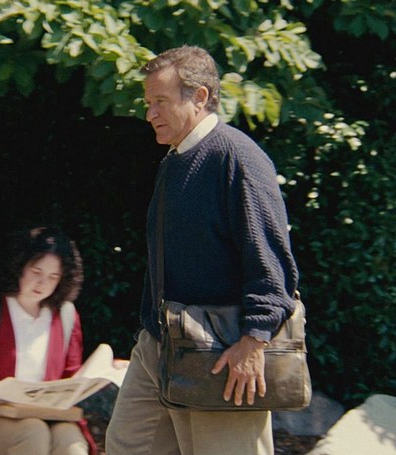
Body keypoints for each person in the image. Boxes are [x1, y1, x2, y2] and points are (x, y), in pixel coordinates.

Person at [105, 45, 300, 455]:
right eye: (148, 103)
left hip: (224, 349)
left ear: (199, 96)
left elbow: (271, 262)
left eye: (160, 101)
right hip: (162, 343)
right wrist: (152, 334)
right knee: (127, 445)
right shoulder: (174, 161)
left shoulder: (237, 157)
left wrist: (254, 340)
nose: (150, 114)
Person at [0, 227, 97, 455]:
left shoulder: (66, 315)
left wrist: (99, 373)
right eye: (36, 272)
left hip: (52, 416)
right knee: (33, 434)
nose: (42, 283)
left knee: (72, 444)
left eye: (53, 277)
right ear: (19, 266)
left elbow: (71, 376)